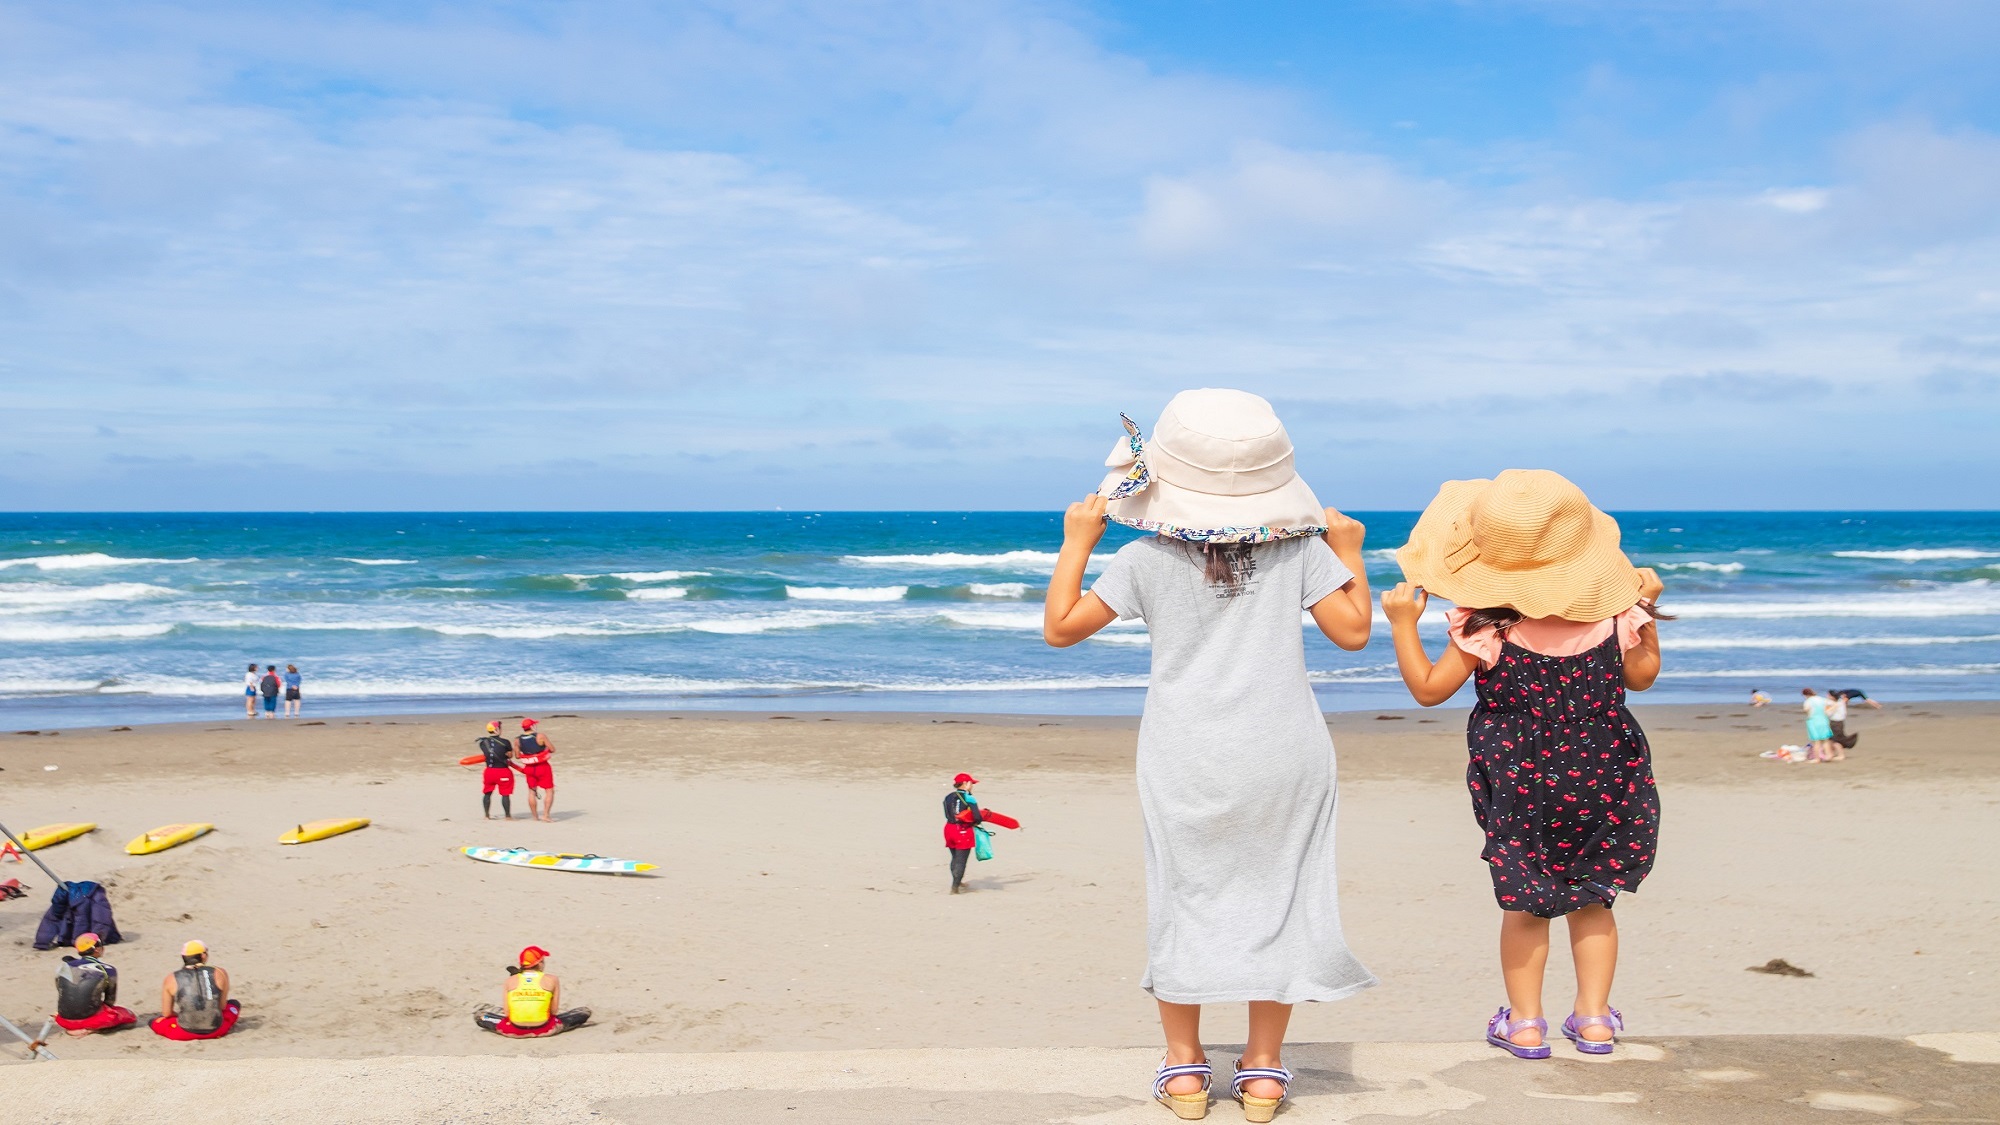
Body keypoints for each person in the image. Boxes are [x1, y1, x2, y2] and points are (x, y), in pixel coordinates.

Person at [1043, 391, 1377, 1122]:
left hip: (1184, 747)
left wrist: (1078, 540)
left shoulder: (1144, 557)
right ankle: (1261, 1070)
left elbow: (1061, 628)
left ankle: (1186, 1066)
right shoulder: (1299, 549)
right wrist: (1349, 551)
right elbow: (1353, 632)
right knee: (1279, 894)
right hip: (1285, 745)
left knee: (1184, 893)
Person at [1381, 469, 1666, 1061]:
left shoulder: (1488, 622)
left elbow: (1430, 690)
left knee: (1527, 900)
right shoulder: (1617, 616)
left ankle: (1528, 1024)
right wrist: (1647, 610)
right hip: (1602, 767)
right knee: (1594, 899)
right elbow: (1641, 677)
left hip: (1519, 776)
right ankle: (1593, 1022)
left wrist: (1403, 625)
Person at [474, 946, 591, 1037]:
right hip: (545, 1028)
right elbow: (554, 1011)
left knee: (481, 1016)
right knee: (583, 1012)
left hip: (514, 1029)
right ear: (539, 964)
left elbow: (508, 1013)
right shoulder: (552, 979)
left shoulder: (509, 981)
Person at [942, 773, 1020, 894]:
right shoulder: (969, 798)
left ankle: (958, 881)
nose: (972, 785)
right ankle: (955, 888)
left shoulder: (948, 797)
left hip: (949, 829)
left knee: (955, 857)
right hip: (963, 830)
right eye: (971, 783)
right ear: (965, 784)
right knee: (961, 860)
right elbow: (977, 817)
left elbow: (947, 813)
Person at [152, 940, 240, 1040]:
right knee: (234, 1004)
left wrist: (178, 1015)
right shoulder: (220, 972)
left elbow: (166, 1013)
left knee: (155, 1021)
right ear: (203, 956)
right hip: (217, 1029)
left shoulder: (170, 978)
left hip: (184, 1032)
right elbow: (222, 1006)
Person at [53, 933, 136, 1036]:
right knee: (130, 1017)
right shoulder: (108, 970)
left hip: (63, 1019)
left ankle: (75, 1028)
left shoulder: (63, 966)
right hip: (91, 1019)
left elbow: (60, 989)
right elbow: (110, 1001)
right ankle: (92, 1029)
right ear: (97, 949)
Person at [515, 718, 556, 823]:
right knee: (549, 790)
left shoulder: (517, 740)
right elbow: (552, 749)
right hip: (542, 766)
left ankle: (535, 816)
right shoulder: (540, 736)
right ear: (532, 726)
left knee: (531, 792)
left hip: (529, 768)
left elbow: (517, 756)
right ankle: (546, 815)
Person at [477, 721, 517, 819]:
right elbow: (510, 755)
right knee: (505, 794)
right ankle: (507, 816)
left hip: (489, 771)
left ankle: (486, 815)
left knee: (487, 793)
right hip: (502, 770)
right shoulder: (505, 742)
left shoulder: (482, 742)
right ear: (497, 729)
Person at [1802, 688, 1835, 762]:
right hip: (1823, 720)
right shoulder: (1822, 699)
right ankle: (1829, 756)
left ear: (1805, 695)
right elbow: (1833, 704)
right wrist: (1827, 711)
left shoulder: (1808, 701)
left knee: (1816, 741)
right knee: (1825, 740)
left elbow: (1806, 709)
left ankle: (1817, 759)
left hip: (1813, 721)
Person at [1826, 690, 1859, 756]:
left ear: (1832, 696)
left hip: (1835, 723)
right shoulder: (1841, 702)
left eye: (1828, 695)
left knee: (1835, 740)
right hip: (1839, 722)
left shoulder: (1836, 703)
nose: (1827, 696)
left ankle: (1841, 754)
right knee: (1832, 739)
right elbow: (1844, 713)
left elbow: (1828, 713)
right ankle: (1831, 753)